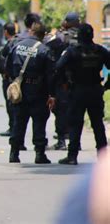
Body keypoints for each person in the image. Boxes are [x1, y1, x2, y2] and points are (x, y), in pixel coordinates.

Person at [55, 23, 110, 165]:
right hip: (95, 90)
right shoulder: (100, 50)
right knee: (98, 124)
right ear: (92, 35)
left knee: (75, 123)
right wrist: (107, 85)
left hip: (78, 91)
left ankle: (72, 156)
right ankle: (103, 157)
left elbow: (58, 67)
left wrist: (64, 83)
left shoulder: (72, 51)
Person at [5, 22, 55, 164]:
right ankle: (39, 154)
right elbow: (51, 75)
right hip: (38, 91)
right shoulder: (44, 50)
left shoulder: (17, 45)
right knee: (39, 122)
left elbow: (7, 66)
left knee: (18, 121)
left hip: (20, 90)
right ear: (43, 35)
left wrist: (14, 81)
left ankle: (14, 153)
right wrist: (52, 94)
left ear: (31, 31)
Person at [44, 12, 80, 150]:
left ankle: (61, 140)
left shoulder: (61, 37)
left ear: (67, 22)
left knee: (60, 110)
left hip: (64, 80)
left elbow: (47, 45)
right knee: (77, 111)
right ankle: (75, 141)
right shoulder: (85, 35)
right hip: (81, 81)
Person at [0, 22, 17, 137]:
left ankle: (13, 128)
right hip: (14, 78)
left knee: (11, 104)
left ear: (6, 32)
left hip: (9, 79)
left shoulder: (10, 45)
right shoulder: (17, 42)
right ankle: (13, 127)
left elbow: (3, 62)